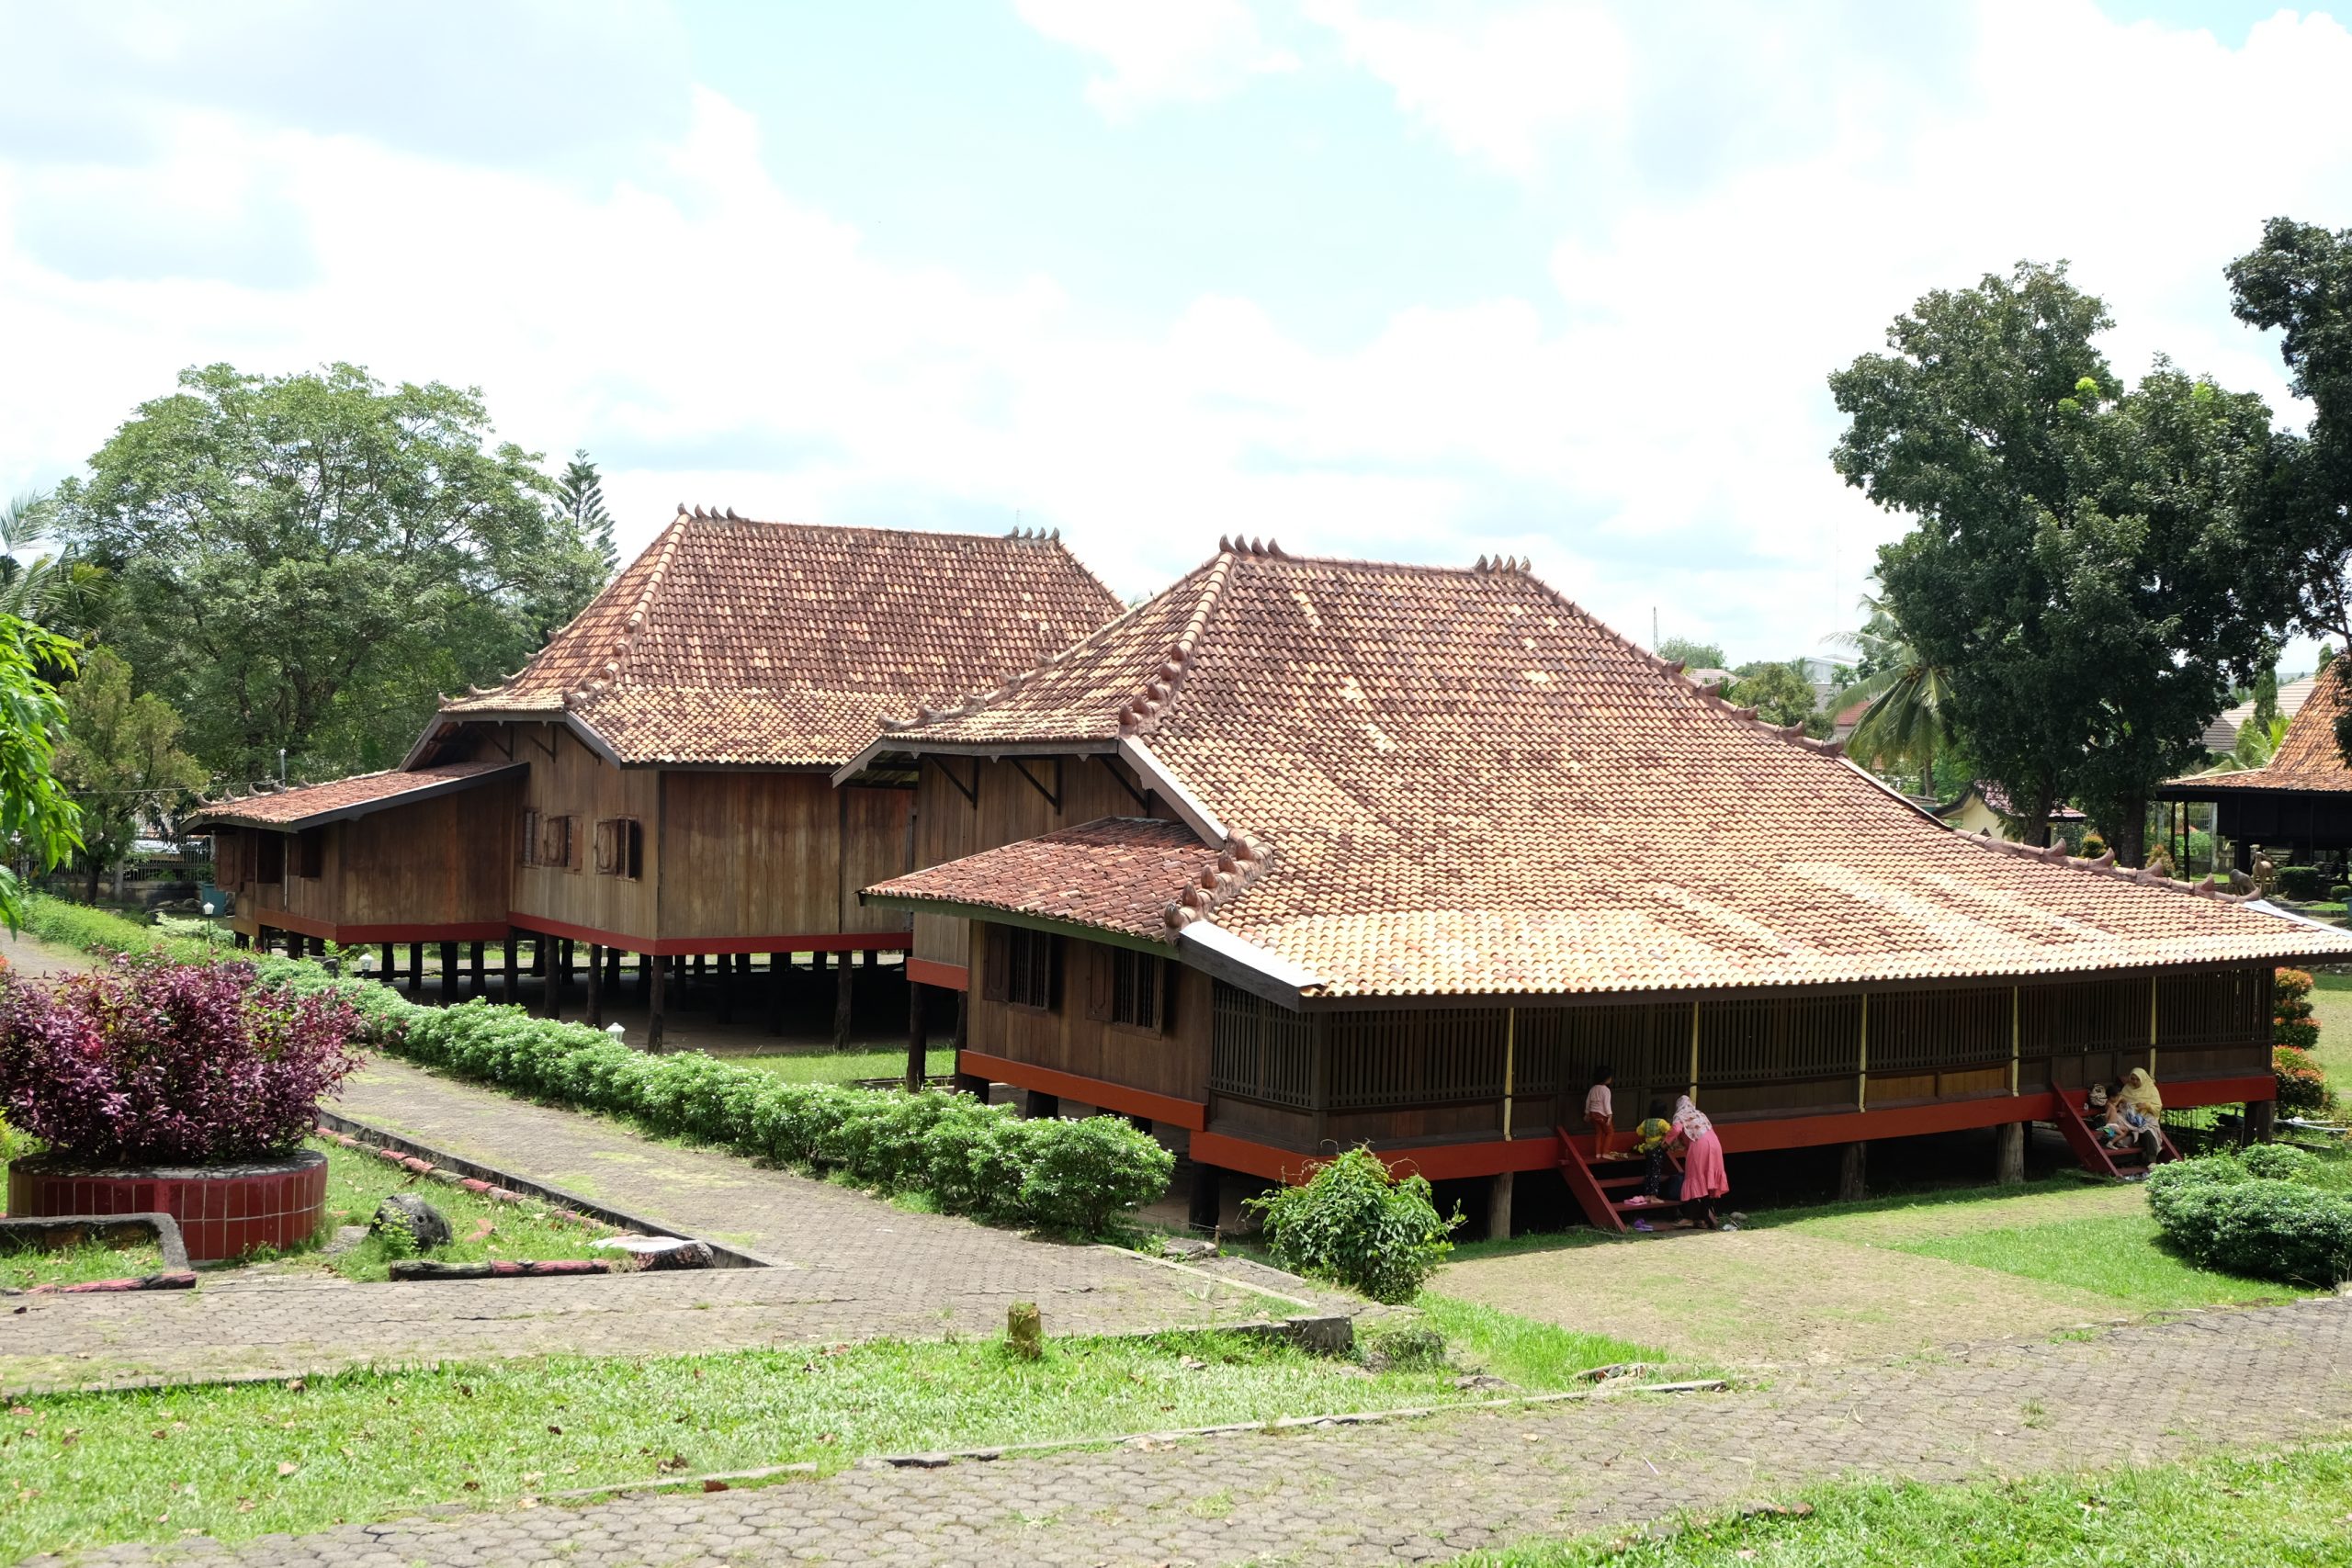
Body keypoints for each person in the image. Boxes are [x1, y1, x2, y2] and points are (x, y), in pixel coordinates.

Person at [1670, 1093, 1731, 1230]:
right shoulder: (1700, 1114)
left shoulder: (1680, 1115)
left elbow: (1676, 1129)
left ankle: (1689, 1218)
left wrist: (1665, 1143)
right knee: (1706, 1183)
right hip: (1715, 1144)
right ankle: (1703, 1219)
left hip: (1700, 1146)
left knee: (1695, 1180)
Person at [1634, 1099, 1680, 1202]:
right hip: (1657, 1150)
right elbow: (1670, 1131)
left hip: (1647, 1150)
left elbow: (1639, 1132)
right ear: (1663, 1112)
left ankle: (1647, 1194)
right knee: (1656, 1172)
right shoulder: (1661, 1122)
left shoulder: (1646, 1122)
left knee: (1649, 1171)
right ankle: (1653, 1196)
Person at [1586, 1065, 1617, 1156]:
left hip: (1593, 1114)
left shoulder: (1593, 1089)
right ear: (1607, 1078)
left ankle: (1597, 1153)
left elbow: (1588, 1101)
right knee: (1610, 1132)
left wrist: (1587, 1113)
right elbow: (1607, 1104)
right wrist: (1610, 1116)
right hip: (1602, 1115)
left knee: (1598, 1133)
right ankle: (1605, 1152)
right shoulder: (1606, 1090)